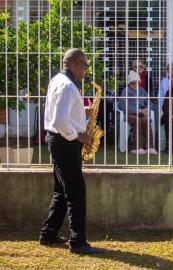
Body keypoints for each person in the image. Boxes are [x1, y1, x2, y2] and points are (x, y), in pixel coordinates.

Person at [40, 48, 104, 254]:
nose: (85, 70)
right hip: (65, 142)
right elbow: (60, 121)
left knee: (61, 189)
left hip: (56, 140)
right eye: (84, 65)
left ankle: (48, 233)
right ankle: (77, 242)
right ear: (76, 62)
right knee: (76, 192)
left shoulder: (57, 80)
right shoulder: (68, 86)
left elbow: (59, 113)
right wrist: (80, 136)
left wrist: (80, 111)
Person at [118, 70, 157, 155]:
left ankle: (149, 147)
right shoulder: (126, 91)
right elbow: (122, 106)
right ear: (129, 83)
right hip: (129, 115)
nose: (136, 84)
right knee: (138, 120)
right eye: (133, 83)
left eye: (137, 82)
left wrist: (147, 109)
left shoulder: (142, 91)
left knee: (146, 120)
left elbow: (150, 103)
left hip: (141, 114)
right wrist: (138, 110)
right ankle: (136, 147)